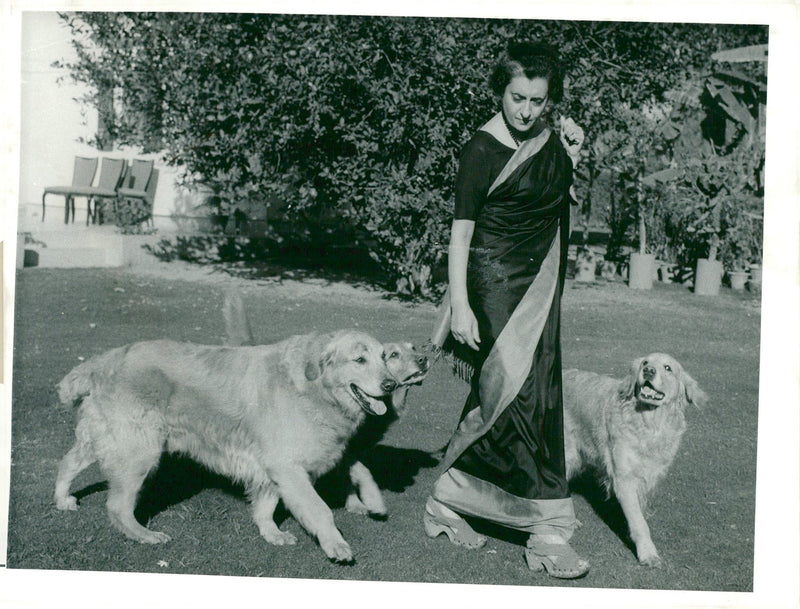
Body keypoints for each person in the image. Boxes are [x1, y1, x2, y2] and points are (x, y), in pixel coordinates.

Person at [424, 41, 588, 579]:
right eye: (518, 98)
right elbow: (461, 234)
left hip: (541, 284)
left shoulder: (547, 140)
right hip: (495, 283)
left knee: (534, 390)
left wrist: (571, 152)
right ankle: (541, 526)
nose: (526, 110)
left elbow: (554, 194)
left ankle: (450, 497)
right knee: (514, 396)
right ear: (501, 91)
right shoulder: (481, 150)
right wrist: (463, 306)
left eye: (538, 101)